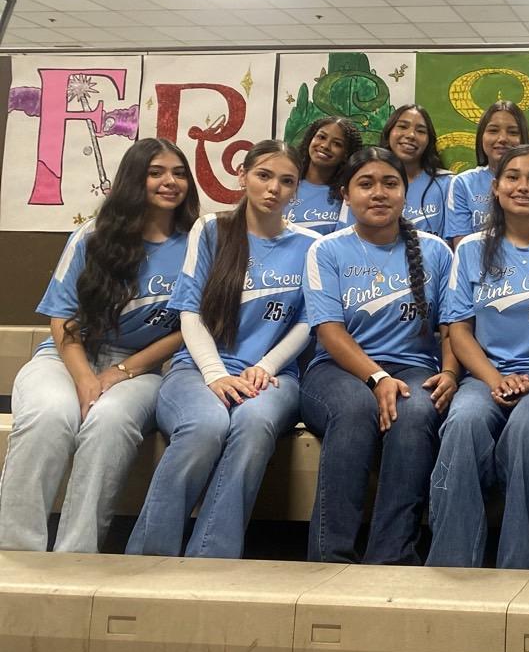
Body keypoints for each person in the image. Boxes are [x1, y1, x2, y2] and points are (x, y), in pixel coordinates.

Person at [0, 139, 199, 553]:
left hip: (141, 368)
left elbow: (191, 327)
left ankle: (76, 555)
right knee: (49, 416)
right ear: (133, 179)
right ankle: (16, 553)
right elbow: (63, 319)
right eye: (156, 172)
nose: (170, 181)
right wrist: (85, 378)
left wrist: (121, 372)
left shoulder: (200, 242)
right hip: (68, 356)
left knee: (108, 423)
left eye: (179, 173)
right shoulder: (92, 236)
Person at [126, 140, 319, 559]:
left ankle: (210, 559)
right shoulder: (211, 229)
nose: (274, 189)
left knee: (253, 424)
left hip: (272, 375)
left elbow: (308, 322)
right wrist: (215, 374)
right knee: (205, 425)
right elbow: (189, 311)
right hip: (198, 369)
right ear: (243, 176)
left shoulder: (310, 245)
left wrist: (266, 366)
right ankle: (148, 559)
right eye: (264, 176)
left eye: (287, 181)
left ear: (297, 189)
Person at [428, 145, 529, 569]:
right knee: (463, 423)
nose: (524, 186)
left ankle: (519, 564)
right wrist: (494, 380)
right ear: (496, 188)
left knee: (525, 427)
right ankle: (452, 565)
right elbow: (459, 330)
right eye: (513, 177)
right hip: (486, 376)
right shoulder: (470, 249)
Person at [300, 147, 457, 564]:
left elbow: (451, 328)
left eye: (390, 183)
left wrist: (451, 372)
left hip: (413, 368)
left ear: (405, 192)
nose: (379, 193)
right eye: (365, 184)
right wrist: (377, 378)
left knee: (417, 412)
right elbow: (329, 331)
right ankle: (330, 558)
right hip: (336, 371)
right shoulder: (326, 250)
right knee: (356, 410)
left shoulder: (436, 251)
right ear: (346, 194)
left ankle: (391, 558)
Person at [445, 100, 529, 246]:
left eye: (513, 132)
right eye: (493, 131)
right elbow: (463, 247)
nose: (502, 139)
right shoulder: (463, 183)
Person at [337, 105, 451, 238]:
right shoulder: (358, 180)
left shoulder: (447, 184)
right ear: (389, 132)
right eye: (402, 126)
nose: (411, 135)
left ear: (429, 140)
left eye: (421, 131)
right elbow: (346, 237)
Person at [285, 115, 361, 234]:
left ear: (346, 154)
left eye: (337, 144)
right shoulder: (285, 183)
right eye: (321, 137)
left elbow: (344, 241)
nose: (325, 146)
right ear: (310, 139)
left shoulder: (346, 196)